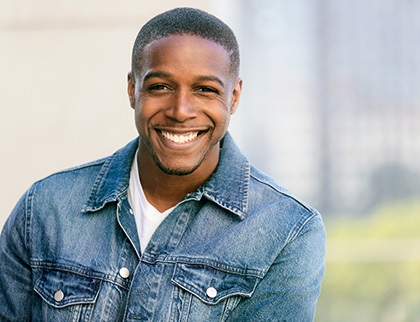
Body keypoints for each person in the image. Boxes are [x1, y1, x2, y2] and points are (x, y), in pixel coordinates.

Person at [0, 7, 326, 322]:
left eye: (205, 90)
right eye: (160, 87)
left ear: (234, 97)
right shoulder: (44, 209)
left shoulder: (286, 230)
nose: (181, 110)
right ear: (133, 90)